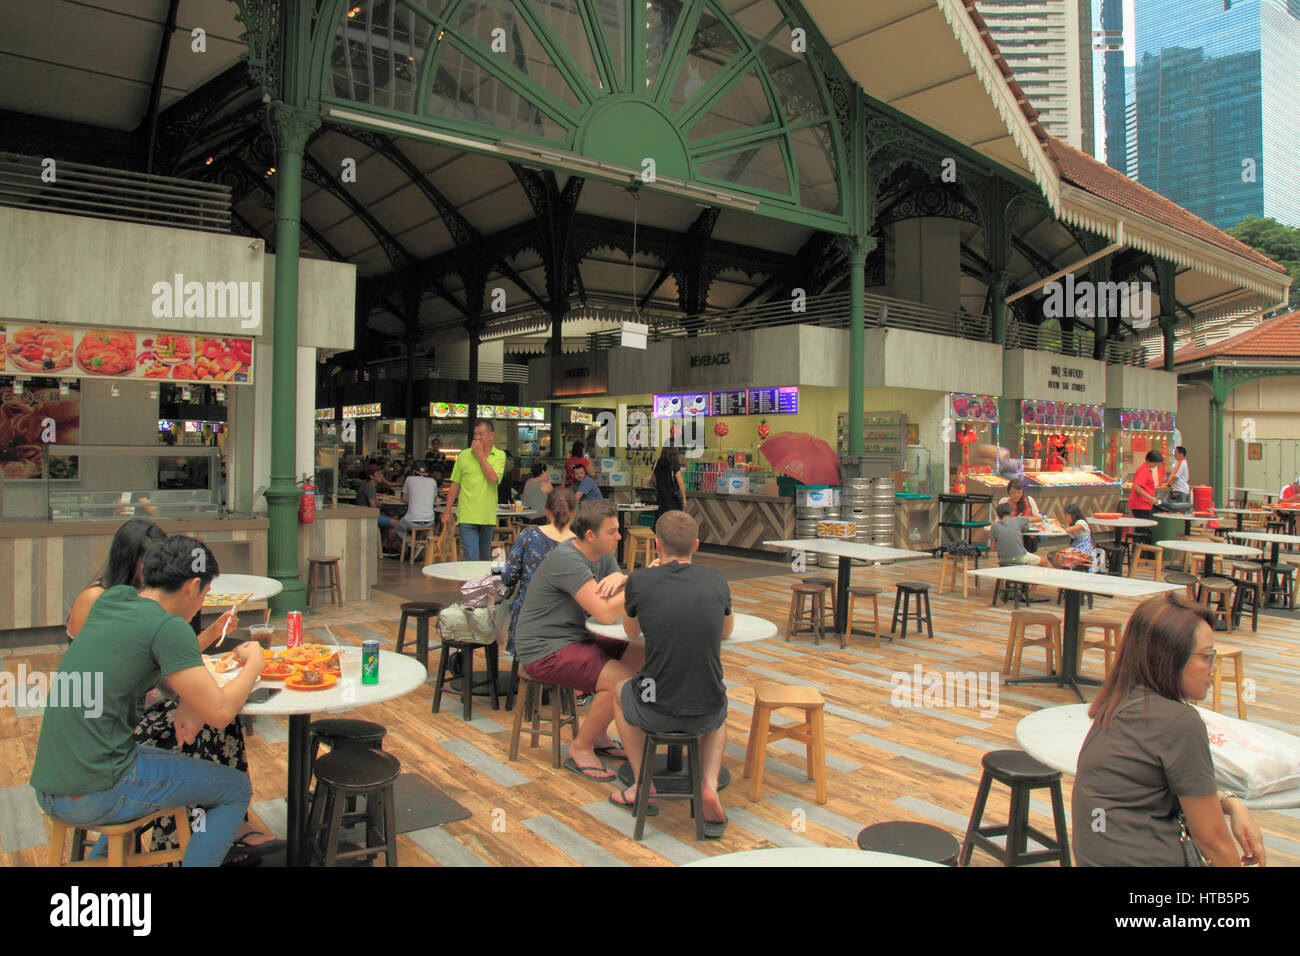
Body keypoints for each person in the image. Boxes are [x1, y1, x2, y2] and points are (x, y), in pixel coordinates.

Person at [30, 535, 265, 867]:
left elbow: (144, 667)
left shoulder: (114, 599)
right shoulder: (169, 627)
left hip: (50, 782)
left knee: (160, 766)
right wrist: (255, 662)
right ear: (193, 585)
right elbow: (222, 712)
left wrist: (186, 701)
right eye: (205, 594)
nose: (202, 603)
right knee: (235, 788)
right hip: (95, 789)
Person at [1072, 593, 1267, 867]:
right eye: (1206, 657)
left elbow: (1163, 790)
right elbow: (1212, 839)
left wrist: (1230, 802)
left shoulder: (1119, 703)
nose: (1212, 669)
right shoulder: (1179, 722)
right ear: (1169, 658)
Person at [610, 512, 731, 835]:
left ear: (656, 544)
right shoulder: (717, 581)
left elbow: (630, 630)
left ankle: (640, 783)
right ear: (696, 545)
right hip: (706, 708)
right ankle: (707, 783)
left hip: (654, 706)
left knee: (621, 689)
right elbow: (725, 630)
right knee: (720, 704)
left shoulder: (640, 580)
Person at [513, 501, 643, 781]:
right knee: (621, 681)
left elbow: (613, 591)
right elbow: (607, 613)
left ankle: (599, 737)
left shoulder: (603, 556)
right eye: (612, 532)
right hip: (544, 648)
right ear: (590, 536)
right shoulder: (567, 559)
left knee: (640, 654)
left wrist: (622, 578)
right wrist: (637, 585)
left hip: (577, 636)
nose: (619, 537)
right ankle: (581, 746)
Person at [501, 487, 577, 654]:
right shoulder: (581, 546)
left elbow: (508, 577)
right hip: (567, 627)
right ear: (574, 513)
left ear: (547, 511)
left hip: (527, 622)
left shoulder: (529, 535)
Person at [66, 517, 167, 639]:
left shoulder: (155, 593)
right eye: (148, 562)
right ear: (128, 561)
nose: (156, 570)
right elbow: (84, 654)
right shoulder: (93, 598)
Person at [442, 419, 506, 560]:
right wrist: (447, 511)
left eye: (481, 434)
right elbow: (455, 484)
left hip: (487, 515)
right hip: (467, 514)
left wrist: (480, 455)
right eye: (475, 434)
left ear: (491, 435)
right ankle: (472, 582)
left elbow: (493, 479)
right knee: (471, 557)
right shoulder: (464, 455)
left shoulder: (500, 455)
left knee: (483, 559)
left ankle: (481, 583)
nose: (477, 438)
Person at [356, 465, 401, 554]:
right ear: (371, 476)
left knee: (393, 518)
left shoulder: (366, 485)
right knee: (397, 523)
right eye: (379, 474)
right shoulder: (370, 487)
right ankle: (387, 548)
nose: (382, 476)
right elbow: (373, 508)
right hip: (368, 516)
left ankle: (385, 545)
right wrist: (378, 506)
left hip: (364, 514)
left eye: (382, 473)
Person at [989, 503, 1048, 567]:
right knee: (1044, 562)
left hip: (1004, 559)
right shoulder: (1017, 520)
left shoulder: (994, 527)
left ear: (998, 515)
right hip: (1020, 557)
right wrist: (1042, 517)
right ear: (1011, 512)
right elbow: (1036, 519)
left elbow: (992, 547)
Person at [997, 479, 1042, 553]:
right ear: (1009, 492)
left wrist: (1024, 520)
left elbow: (1039, 518)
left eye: (1019, 492)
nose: (1016, 495)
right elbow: (998, 519)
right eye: (1013, 492)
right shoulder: (1004, 502)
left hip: (1026, 539)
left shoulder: (1029, 500)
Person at [1049, 504, 1095, 570]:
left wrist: (1059, 527)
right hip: (1077, 549)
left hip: (1083, 551)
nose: (1065, 518)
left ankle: (1065, 570)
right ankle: (1064, 570)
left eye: (1066, 516)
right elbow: (1068, 529)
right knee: (1053, 555)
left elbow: (1068, 530)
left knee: (1057, 556)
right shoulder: (1074, 524)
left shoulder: (1081, 522)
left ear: (1073, 516)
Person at [652, 446, 686, 526]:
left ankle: (659, 537)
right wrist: (684, 497)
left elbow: (652, 478)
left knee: (661, 520)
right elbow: (679, 480)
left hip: (660, 496)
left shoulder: (658, 462)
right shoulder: (674, 462)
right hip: (672, 498)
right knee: (674, 522)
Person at [1129, 449, 1164, 524]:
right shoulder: (1144, 470)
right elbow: (1137, 486)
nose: (1155, 465)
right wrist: (1150, 498)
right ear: (1148, 460)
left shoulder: (1146, 469)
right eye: (1154, 462)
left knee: (1144, 529)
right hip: (1141, 505)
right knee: (1145, 529)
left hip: (1144, 504)